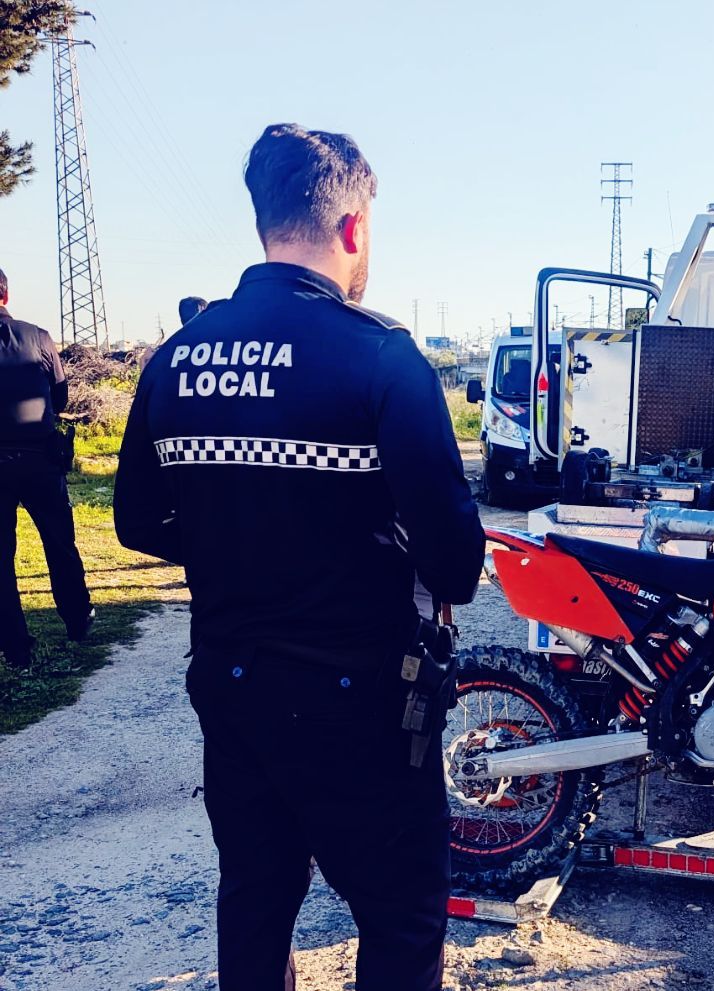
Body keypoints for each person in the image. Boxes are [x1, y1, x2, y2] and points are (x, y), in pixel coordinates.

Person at [113, 123, 484, 990]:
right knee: (400, 918)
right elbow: (457, 562)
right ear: (353, 226)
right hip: (363, 705)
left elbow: (135, 519)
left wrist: (230, 543)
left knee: (255, 902)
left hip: (233, 688)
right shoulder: (381, 356)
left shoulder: (177, 359)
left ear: (263, 221)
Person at [0, 267, 94, 670]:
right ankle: (77, 620)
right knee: (59, 542)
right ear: (6, 294)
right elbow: (61, 395)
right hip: (40, 456)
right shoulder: (37, 336)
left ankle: (15, 645)